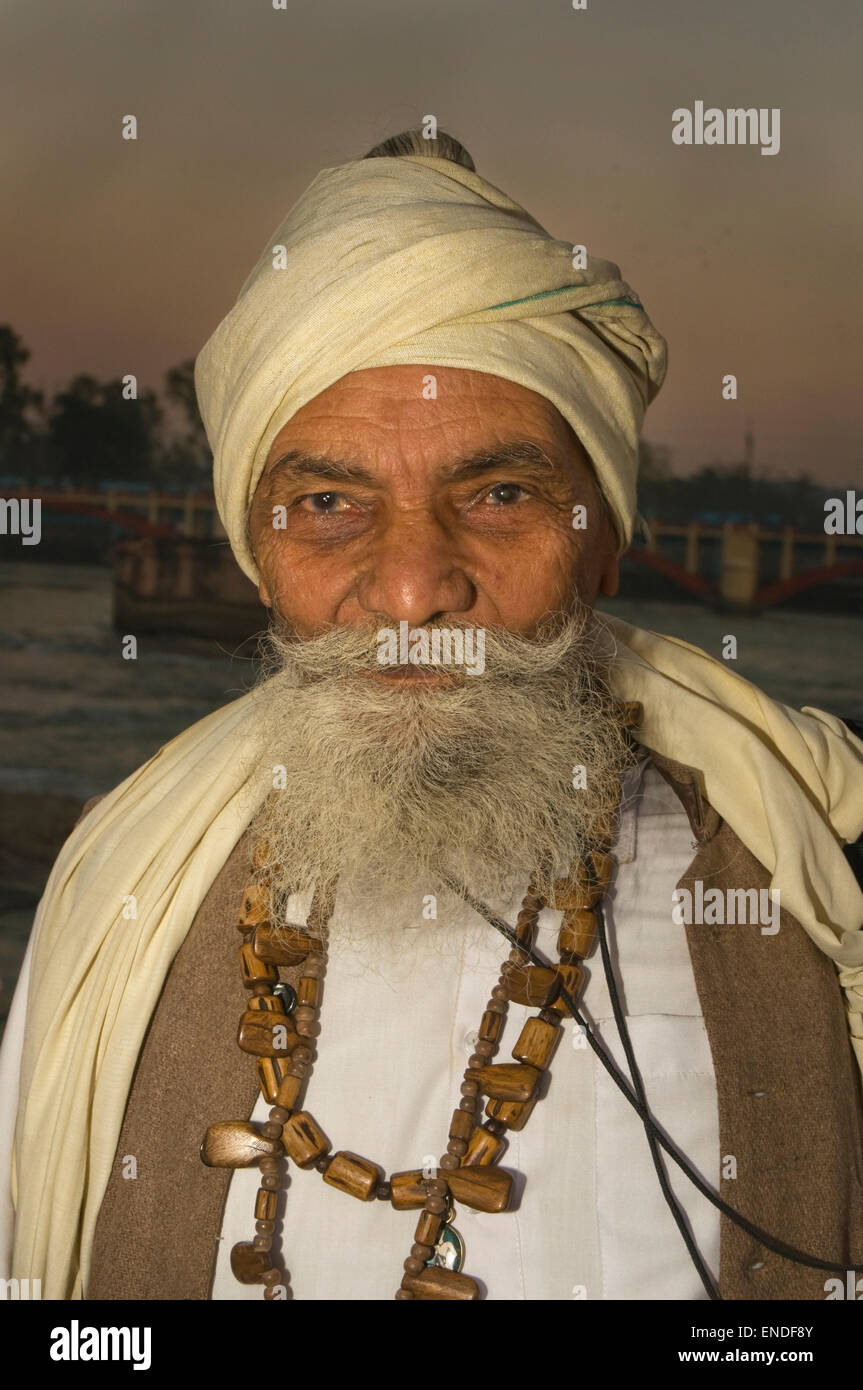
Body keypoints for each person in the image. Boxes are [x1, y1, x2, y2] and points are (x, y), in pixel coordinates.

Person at [2, 129, 862, 1302]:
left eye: (499, 494)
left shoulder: (808, 875)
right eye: (327, 504)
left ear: (600, 539)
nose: (412, 588)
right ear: (261, 555)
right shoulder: (123, 893)